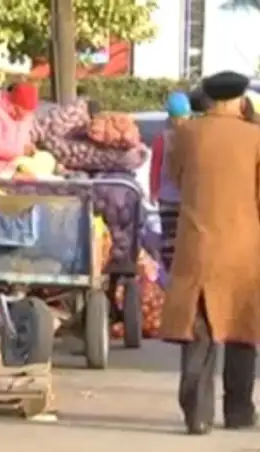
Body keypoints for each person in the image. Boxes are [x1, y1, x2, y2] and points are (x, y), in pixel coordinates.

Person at [159, 70, 260, 435]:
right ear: (239, 99)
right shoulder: (256, 137)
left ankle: (197, 413)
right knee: (242, 329)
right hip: (244, 248)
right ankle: (239, 410)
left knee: (198, 330)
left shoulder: (186, 134)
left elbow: (175, 177)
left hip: (197, 245)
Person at [149, 91, 192, 270]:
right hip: (187, 197)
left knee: (169, 237)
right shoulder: (194, 137)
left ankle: (170, 269)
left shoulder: (162, 138)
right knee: (185, 236)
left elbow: (155, 166)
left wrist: (154, 190)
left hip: (167, 197)